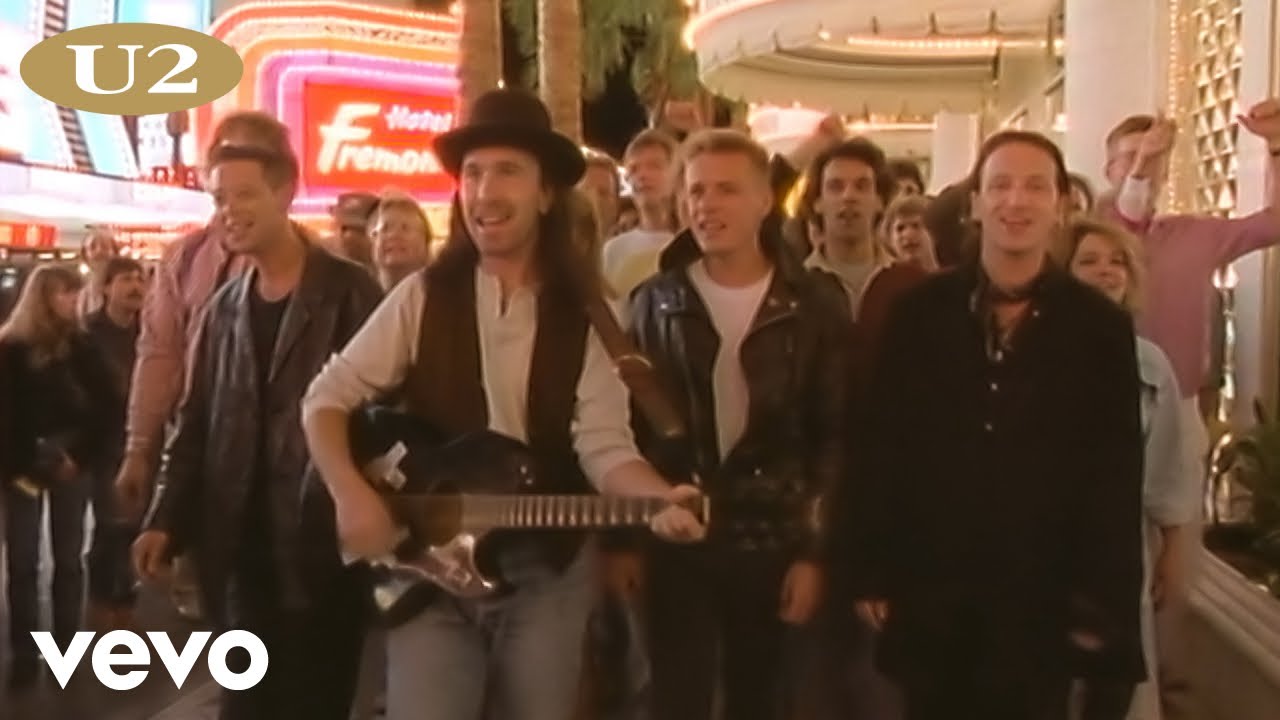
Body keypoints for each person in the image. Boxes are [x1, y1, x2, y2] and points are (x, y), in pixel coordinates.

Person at [299, 88, 705, 720]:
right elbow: (326, 398)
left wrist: (658, 499)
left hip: (548, 573)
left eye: (507, 171)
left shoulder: (595, 312)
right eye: (473, 173)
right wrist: (351, 493)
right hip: (430, 567)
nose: (484, 192)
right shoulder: (422, 295)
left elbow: (603, 445)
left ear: (545, 195)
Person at [846, 130, 1147, 719]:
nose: (1017, 201)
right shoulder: (918, 314)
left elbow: (1113, 475)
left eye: (1035, 187)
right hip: (933, 586)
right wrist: (872, 567)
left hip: (1043, 596)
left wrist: (1104, 609)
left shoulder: (1098, 328)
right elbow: (881, 445)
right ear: (976, 203)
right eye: (1001, 185)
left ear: (1061, 205)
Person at [132, 142, 383, 720]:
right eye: (219, 198)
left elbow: (385, 415)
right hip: (239, 555)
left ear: (285, 193)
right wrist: (165, 518)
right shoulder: (223, 310)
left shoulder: (350, 292)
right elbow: (195, 422)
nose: (228, 211)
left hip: (323, 552)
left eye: (244, 194)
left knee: (314, 705)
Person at [628, 128, 847, 720]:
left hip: (774, 539)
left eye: (727, 190)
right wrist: (627, 539)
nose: (707, 205)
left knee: (762, 700)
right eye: (696, 191)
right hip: (678, 536)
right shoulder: (654, 302)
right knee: (677, 700)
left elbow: (833, 438)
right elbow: (628, 433)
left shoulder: (814, 303)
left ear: (764, 200)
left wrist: (815, 554)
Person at [114, 111, 304, 621]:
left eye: (247, 180)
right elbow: (160, 357)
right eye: (222, 180)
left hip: (288, 475)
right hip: (205, 456)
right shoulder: (185, 259)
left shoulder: (321, 271)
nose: (232, 201)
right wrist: (140, 449)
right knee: (216, 610)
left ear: (282, 186)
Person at [1059, 219, 1201, 720]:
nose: (1105, 271)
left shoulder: (1151, 364)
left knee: (1116, 690)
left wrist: (1173, 549)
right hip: (1047, 547)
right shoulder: (1040, 354)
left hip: (1122, 548)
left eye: (1116, 261)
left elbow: (1168, 467)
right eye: (1089, 261)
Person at [0, 264, 112, 689]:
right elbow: (7, 416)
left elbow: (106, 405)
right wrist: (25, 462)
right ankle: (24, 655)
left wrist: (78, 456)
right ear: (43, 297)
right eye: (66, 292)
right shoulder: (11, 349)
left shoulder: (82, 346)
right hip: (22, 463)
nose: (74, 301)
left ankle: (66, 650)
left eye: (76, 292)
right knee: (23, 562)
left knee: (68, 559)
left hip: (71, 457)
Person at [83, 257, 146, 632]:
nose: (136, 286)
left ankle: (124, 602)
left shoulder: (150, 332)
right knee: (111, 525)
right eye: (126, 279)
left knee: (132, 526)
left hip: (139, 440)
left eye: (140, 279)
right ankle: (103, 603)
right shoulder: (87, 334)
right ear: (106, 287)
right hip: (101, 442)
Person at [368, 190, 434, 292]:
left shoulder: (441, 295)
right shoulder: (358, 295)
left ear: (426, 242)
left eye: (405, 228)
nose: (394, 235)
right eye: (385, 228)